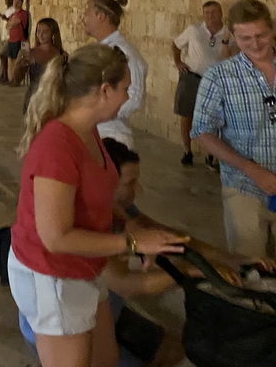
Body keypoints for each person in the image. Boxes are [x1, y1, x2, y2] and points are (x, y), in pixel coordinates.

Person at [9, 44, 186, 367]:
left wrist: (128, 224)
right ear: (104, 91)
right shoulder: (57, 147)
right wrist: (132, 242)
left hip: (84, 267)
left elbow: (95, 195)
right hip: (53, 274)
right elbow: (56, 237)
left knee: (105, 359)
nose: (129, 96)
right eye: (125, 89)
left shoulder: (87, 132)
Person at [17, 138, 259, 366]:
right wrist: (196, 271)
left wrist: (232, 258)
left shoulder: (121, 209)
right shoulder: (90, 224)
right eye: (130, 183)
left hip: (109, 314)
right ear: (105, 183)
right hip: (70, 327)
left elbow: (169, 236)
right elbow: (126, 284)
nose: (139, 190)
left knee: (174, 349)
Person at [192, 0, 276, 259]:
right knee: (252, 267)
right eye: (245, 38)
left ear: (272, 29)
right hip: (244, 187)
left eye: (261, 34)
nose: (255, 44)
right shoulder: (219, 76)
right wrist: (252, 169)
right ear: (233, 35)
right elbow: (202, 132)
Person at [82, 0, 147, 149]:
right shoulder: (100, 49)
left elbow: (134, 97)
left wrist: (100, 113)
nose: (83, 18)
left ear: (101, 16)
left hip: (111, 136)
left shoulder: (123, 51)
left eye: (87, 13)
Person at [172, 1, 231, 167]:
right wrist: (178, 62)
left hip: (216, 81)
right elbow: (176, 45)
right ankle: (187, 150)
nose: (210, 16)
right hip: (192, 77)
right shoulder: (194, 30)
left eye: (213, 12)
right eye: (206, 12)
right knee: (186, 115)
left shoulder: (228, 33)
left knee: (217, 118)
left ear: (220, 12)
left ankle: (212, 154)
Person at [23, 18, 65, 114]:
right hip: (34, 98)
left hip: (54, 99)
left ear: (53, 34)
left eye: (45, 32)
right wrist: (19, 64)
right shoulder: (31, 53)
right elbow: (15, 79)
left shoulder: (62, 55)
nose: (40, 35)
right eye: (38, 31)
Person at [6, 0, 30, 86]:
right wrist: (11, 24)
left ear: (21, 3)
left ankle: (16, 80)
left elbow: (14, 23)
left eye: (18, 1)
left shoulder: (23, 13)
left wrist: (11, 24)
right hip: (11, 40)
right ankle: (11, 79)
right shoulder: (13, 14)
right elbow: (8, 25)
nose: (15, 3)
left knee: (17, 61)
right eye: (14, 1)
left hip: (19, 40)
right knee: (11, 60)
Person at [0, 0, 17, 84]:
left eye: (9, 0)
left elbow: (12, 20)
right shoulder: (8, 10)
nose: (7, 1)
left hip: (10, 37)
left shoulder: (13, 10)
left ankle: (6, 76)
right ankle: (3, 75)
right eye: (6, 0)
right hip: (5, 36)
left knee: (2, 54)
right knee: (4, 56)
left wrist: (4, 18)